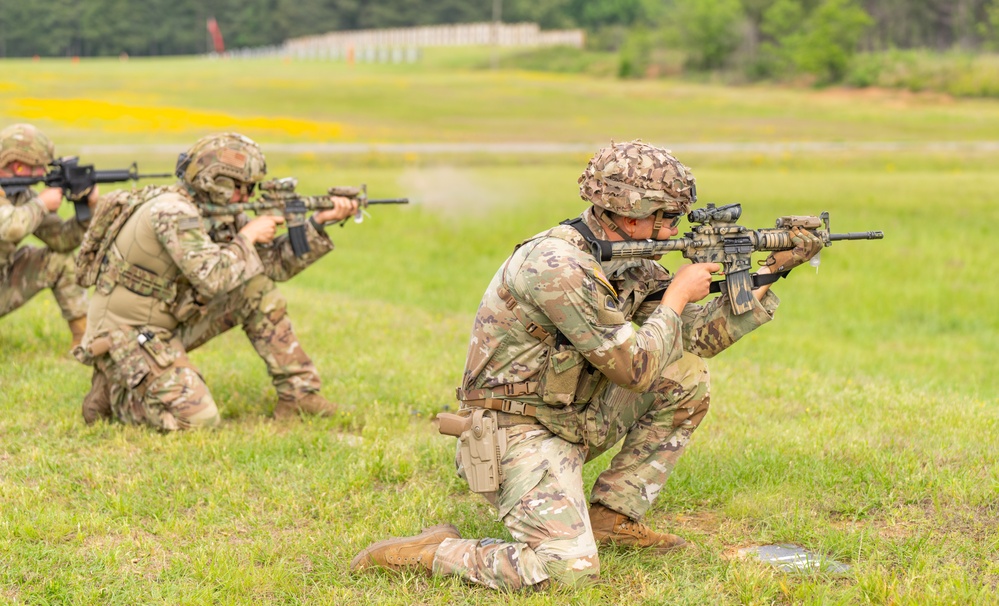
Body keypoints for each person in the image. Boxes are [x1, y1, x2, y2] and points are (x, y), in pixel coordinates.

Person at [351, 141, 823, 589]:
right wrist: (676, 297)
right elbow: (633, 369)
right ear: (634, 214)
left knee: (686, 378)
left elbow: (698, 336)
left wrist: (775, 267)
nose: (677, 230)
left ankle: (613, 516)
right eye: (669, 217)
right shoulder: (558, 266)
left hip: (569, 415)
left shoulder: (629, 258)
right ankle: (435, 552)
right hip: (513, 432)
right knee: (567, 571)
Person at [74, 132, 358, 430]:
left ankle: (299, 394)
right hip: (128, 334)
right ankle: (116, 394)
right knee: (198, 420)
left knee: (255, 289)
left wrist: (317, 224)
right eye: (243, 187)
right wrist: (247, 236)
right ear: (216, 180)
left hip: (166, 323)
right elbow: (213, 278)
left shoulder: (215, 211)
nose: (248, 196)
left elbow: (271, 266)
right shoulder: (173, 212)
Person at [0, 123, 96, 349]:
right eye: (38, 167)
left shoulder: (21, 195)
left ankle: (85, 341)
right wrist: (42, 204)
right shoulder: (30, 202)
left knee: (58, 261)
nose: (43, 174)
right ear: (18, 166)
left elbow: (62, 240)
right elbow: (10, 226)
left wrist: (87, 210)